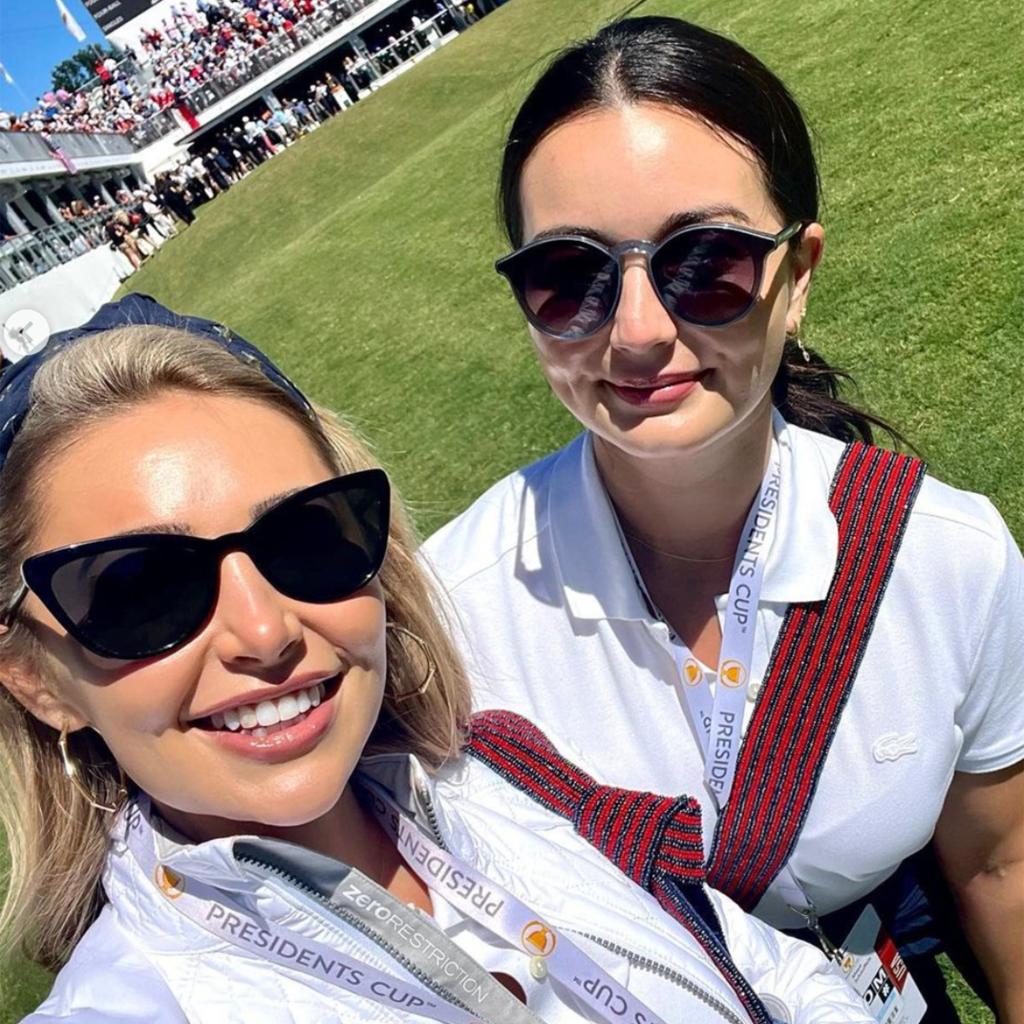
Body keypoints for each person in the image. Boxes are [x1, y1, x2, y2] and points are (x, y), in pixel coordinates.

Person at [0, 296, 870, 1024]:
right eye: (140, 589)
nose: (264, 634)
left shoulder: (499, 770)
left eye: (306, 535)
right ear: (37, 678)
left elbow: (760, 969)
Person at [422, 16, 1024, 1024]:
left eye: (705, 261)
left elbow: (999, 861)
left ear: (796, 279)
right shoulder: (454, 622)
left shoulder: (944, 560)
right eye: (568, 277)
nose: (639, 331)